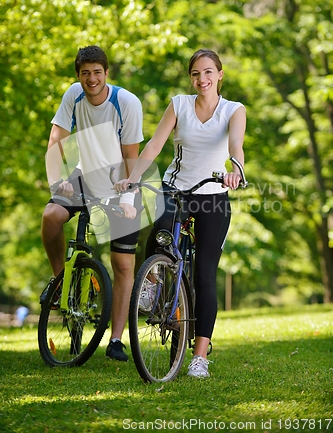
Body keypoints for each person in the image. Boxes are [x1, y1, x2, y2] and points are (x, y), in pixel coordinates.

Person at [114, 49, 246, 377]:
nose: (202, 79)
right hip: (177, 188)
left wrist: (236, 169)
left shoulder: (234, 110)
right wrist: (133, 177)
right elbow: (156, 145)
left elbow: (236, 147)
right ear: (190, 78)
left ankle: (200, 356)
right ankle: (153, 280)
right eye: (195, 74)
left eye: (208, 72)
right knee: (159, 232)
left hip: (213, 194)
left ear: (219, 75)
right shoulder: (179, 104)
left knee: (204, 275)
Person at [40, 45, 143, 362]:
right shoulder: (73, 95)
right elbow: (56, 140)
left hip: (122, 181)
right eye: (85, 73)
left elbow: (131, 157)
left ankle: (115, 340)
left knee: (123, 263)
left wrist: (126, 197)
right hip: (85, 177)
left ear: (106, 73)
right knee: (51, 216)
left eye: (97, 72)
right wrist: (58, 181)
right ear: (78, 75)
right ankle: (61, 284)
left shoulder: (126, 103)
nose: (91, 78)